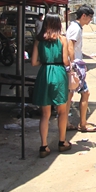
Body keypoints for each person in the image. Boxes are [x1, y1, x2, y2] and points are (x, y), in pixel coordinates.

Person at [31, 14, 71, 158]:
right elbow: (65, 61)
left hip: (44, 74)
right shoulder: (62, 39)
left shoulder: (38, 40)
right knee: (62, 111)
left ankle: (43, 146)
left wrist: (45, 62)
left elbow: (33, 62)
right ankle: (62, 142)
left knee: (45, 114)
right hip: (59, 74)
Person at [65, 4, 96, 133]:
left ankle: (66, 122)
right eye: (90, 17)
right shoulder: (75, 28)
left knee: (70, 94)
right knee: (85, 93)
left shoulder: (75, 27)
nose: (90, 20)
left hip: (73, 65)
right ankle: (83, 124)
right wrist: (74, 65)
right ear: (83, 16)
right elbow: (70, 46)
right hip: (74, 66)